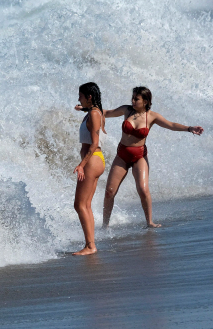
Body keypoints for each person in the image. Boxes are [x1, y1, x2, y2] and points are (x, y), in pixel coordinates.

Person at [102, 86, 203, 228]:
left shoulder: (152, 116)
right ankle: (104, 225)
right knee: (110, 192)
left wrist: (189, 128)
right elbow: (107, 112)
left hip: (139, 157)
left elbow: (171, 125)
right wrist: (87, 109)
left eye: (136, 99)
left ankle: (149, 222)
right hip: (122, 155)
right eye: (132, 97)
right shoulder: (126, 110)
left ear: (145, 101)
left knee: (143, 190)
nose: (133, 101)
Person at [72, 82, 106, 255]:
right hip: (97, 160)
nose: (78, 98)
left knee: (79, 204)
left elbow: (93, 144)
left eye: (81, 96)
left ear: (89, 97)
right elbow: (92, 113)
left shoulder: (93, 114)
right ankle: (91, 244)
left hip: (92, 161)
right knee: (85, 205)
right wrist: (82, 109)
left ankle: (90, 246)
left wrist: (81, 165)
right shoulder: (95, 112)